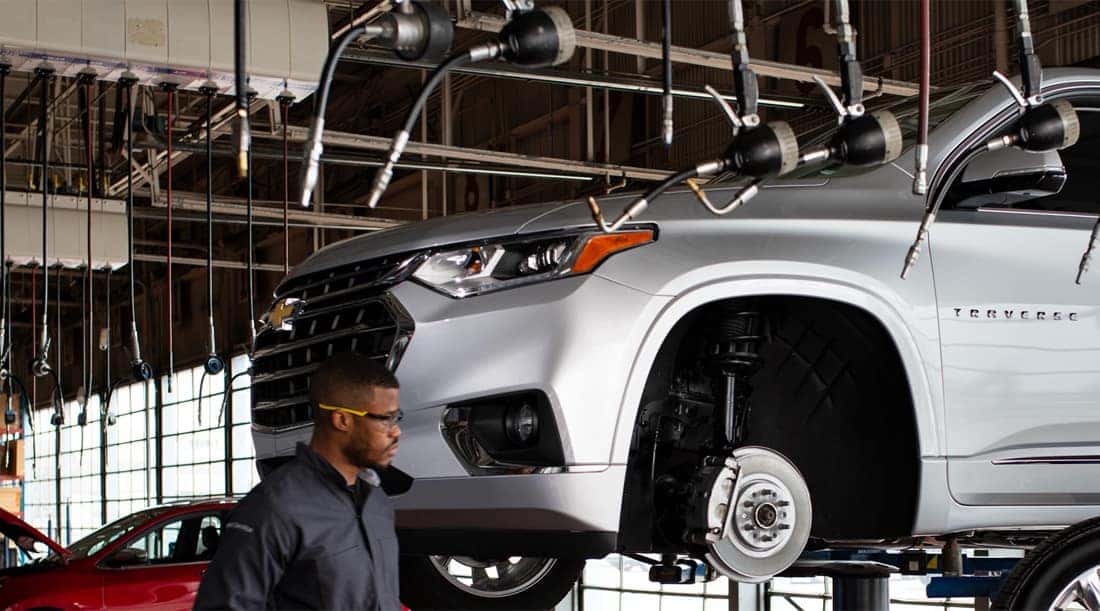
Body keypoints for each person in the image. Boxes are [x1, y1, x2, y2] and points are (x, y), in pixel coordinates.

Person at [194, 352, 404, 610]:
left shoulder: (378, 504)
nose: (396, 432)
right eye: (385, 419)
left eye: (397, 418)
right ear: (342, 419)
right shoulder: (274, 508)